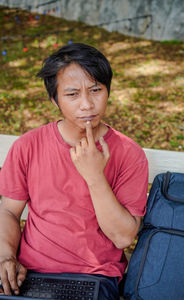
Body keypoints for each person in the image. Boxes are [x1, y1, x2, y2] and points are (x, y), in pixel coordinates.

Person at [0, 43, 148, 299]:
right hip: (30, 273)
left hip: (95, 277)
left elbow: (123, 237)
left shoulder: (129, 153)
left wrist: (94, 176)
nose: (87, 104)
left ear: (107, 91)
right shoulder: (28, 146)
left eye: (95, 90)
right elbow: (8, 212)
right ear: (54, 99)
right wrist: (5, 257)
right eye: (72, 94)